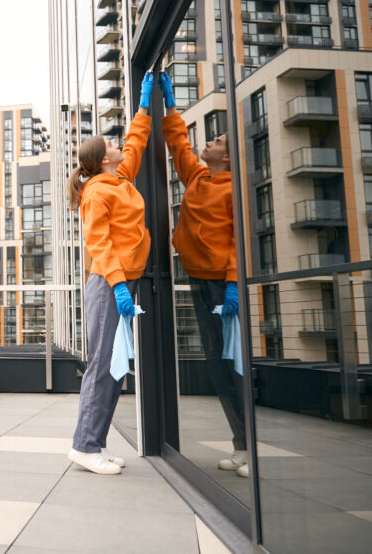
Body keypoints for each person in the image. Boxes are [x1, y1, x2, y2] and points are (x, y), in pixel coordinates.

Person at [159, 71, 248, 477]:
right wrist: (170, 105)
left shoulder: (234, 190)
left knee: (230, 363)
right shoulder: (197, 176)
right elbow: (177, 143)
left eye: (215, 142)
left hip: (220, 284)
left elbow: (239, 241)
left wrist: (231, 285)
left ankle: (247, 447)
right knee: (216, 362)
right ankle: (242, 446)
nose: (207, 142)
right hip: (198, 277)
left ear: (226, 157)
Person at [66, 71, 154, 475]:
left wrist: (145, 106)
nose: (120, 145)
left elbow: (135, 143)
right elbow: (98, 245)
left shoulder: (120, 180)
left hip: (122, 281)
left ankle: (95, 443)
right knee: (103, 364)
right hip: (108, 283)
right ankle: (84, 446)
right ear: (103, 159)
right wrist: (120, 286)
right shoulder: (97, 192)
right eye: (112, 144)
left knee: (114, 365)